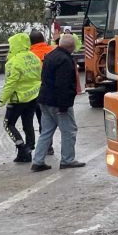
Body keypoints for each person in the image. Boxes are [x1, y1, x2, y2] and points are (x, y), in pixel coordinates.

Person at [33, 33, 83, 171]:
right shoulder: (65, 60)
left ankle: (38, 161)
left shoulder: (50, 55)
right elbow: (63, 84)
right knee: (69, 131)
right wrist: (63, 106)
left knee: (46, 132)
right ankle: (67, 160)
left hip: (44, 100)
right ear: (72, 47)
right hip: (57, 102)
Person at [0, 31, 42, 163]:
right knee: (28, 123)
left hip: (18, 98)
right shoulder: (34, 57)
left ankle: (22, 148)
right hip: (33, 96)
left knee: (8, 124)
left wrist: (1, 100)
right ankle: (29, 149)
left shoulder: (13, 62)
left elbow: (10, 84)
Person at [29, 29, 54, 138]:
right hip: (51, 89)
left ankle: (41, 142)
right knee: (48, 118)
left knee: (39, 117)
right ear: (43, 39)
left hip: (34, 91)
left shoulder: (29, 55)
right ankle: (49, 144)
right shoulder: (52, 51)